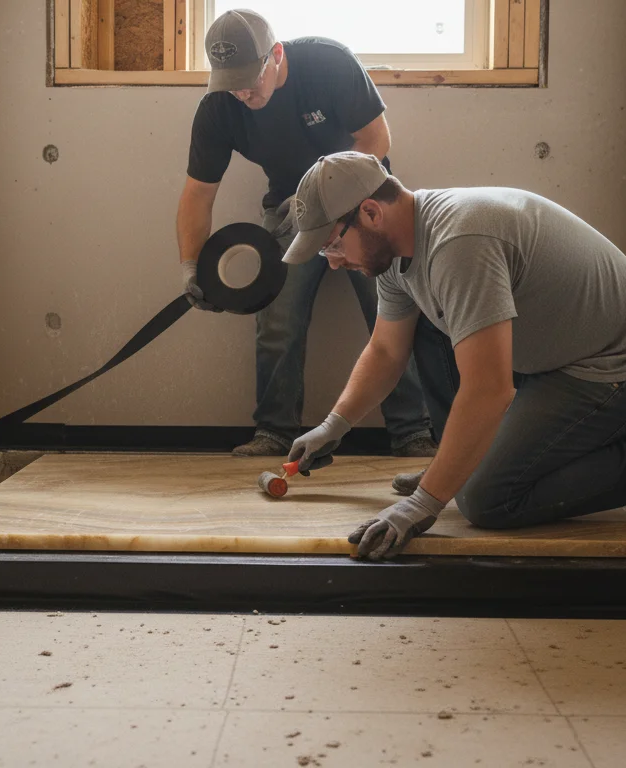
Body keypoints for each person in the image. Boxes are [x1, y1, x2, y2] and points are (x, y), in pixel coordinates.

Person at [281, 151, 626, 561]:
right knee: (435, 351)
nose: (333, 263)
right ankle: (470, 461)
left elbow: (489, 391)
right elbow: (385, 350)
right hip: (547, 361)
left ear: (371, 213)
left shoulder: (459, 243)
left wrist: (425, 502)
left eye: (333, 246)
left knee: (485, 499)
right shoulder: (397, 250)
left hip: (616, 367)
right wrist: (333, 426)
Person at [177, 9, 437, 459]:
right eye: (231, 82)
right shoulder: (220, 106)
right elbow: (198, 195)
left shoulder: (328, 64)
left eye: (250, 80)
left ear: (276, 55)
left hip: (364, 204)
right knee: (277, 320)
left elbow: (376, 139)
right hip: (287, 212)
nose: (242, 92)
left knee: (391, 313)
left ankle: (413, 432)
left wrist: (324, 208)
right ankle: (274, 432)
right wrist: (191, 266)